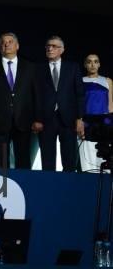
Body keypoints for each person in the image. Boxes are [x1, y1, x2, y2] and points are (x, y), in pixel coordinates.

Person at [0, 33, 43, 169]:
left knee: (23, 162)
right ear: (0, 47)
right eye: (3, 42)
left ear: (17, 46)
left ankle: (24, 188)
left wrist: (38, 119)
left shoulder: (31, 68)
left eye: (10, 42)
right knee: (0, 162)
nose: (7, 44)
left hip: (24, 122)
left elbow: (37, 95)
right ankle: (1, 189)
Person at [38, 36, 86, 172]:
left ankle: (68, 189)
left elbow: (80, 94)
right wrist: (37, 118)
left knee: (69, 159)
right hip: (46, 119)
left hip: (69, 119)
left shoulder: (73, 67)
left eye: (54, 46)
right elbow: (34, 96)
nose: (50, 49)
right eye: (47, 46)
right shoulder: (38, 68)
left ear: (62, 50)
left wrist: (80, 118)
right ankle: (48, 188)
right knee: (47, 160)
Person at [80, 54, 113, 171]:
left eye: (95, 61)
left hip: (105, 124)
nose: (93, 65)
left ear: (99, 64)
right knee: (88, 162)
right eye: (89, 62)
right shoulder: (80, 81)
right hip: (87, 125)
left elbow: (111, 104)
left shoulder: (107, 81)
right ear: (85, 64)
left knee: (105, 160)